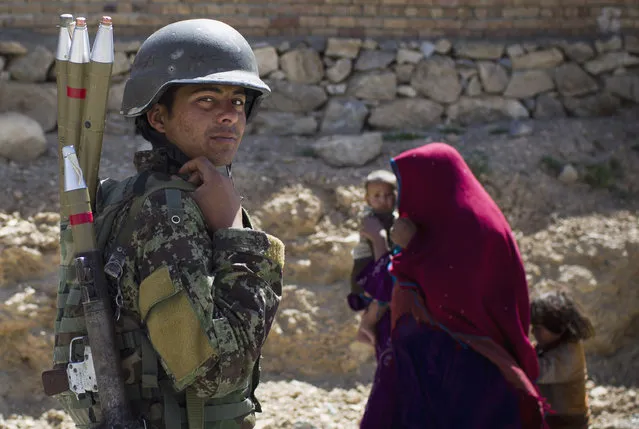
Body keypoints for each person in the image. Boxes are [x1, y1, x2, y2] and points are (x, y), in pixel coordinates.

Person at [53, 19, 285, 429]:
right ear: (159, 118)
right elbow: (215, 373)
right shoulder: (168, 210)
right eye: (207, 100)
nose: (229, 115)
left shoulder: (119, 194)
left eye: (237, 101)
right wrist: (236, 232)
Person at [360, 143, 547, 429]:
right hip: (439, 354)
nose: (402, 200)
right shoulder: (441, 222)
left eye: (407, 188)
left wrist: (408, 247)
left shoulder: (472, 224)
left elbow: (456, 288)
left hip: (465, 357)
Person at [347, 170, 397, 355]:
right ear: (367, 199)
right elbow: (381, 258)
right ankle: (367, 325)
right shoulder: (370, 220)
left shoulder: (395, 218)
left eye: (388, 195)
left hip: (379, 265)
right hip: (366, 267)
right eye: (377, 196)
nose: (383, 200)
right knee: (382, 297)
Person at [532, 291, 595, 429]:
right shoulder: (548, 345)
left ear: (557, 327)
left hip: (569, 423)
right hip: (551, 419)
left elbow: (538, 371)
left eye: (538, 328)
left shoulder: (569, 354)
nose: (533, 333)